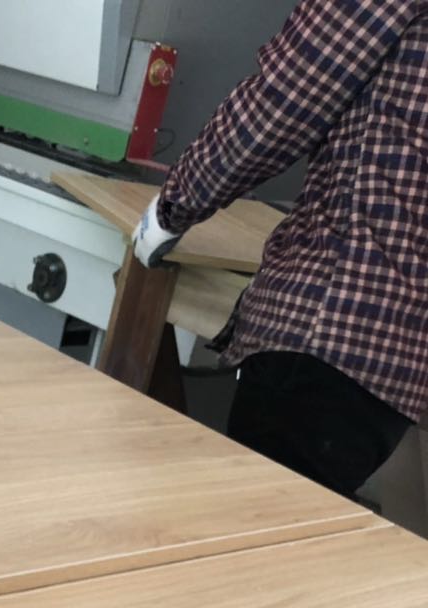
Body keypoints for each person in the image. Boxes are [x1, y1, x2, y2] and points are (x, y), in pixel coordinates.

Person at [131, 0, 428, 501]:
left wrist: (170, 210)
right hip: (396, 360)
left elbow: (282, 105)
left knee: (247, 529)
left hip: (328, 327)